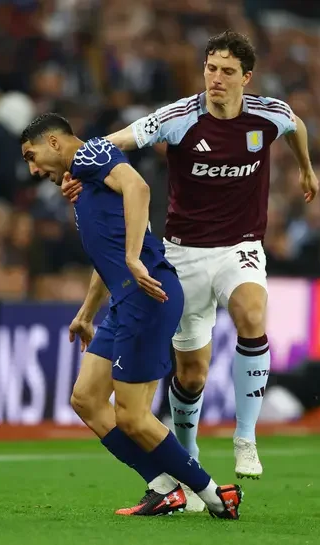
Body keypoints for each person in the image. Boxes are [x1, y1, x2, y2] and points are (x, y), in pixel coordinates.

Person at [60, 29, 319, 509]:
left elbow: (296, 125)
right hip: (182, 255)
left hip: (240, 247)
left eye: (226, 71)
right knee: (193, 373)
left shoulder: (269, 115)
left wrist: (305, 167)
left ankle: (245, 437)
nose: (215, 78)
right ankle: (189, 455)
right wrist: (79, 166)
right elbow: (121, 139)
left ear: (246, 77)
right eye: (210, 68)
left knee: (252, 313)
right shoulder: (179, 118)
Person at [20, 113, 243, 518]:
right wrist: (87, 313)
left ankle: (214, 495)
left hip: (147, 295)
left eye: (31, 157)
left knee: (133, 417)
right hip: (126, 301)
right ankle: (163, 487)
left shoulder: (91, 154)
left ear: (53, 143)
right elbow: (106, 254)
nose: (33, 170)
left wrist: (133, 256)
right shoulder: (86, 182)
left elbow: (138, 187)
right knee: (87, 399)